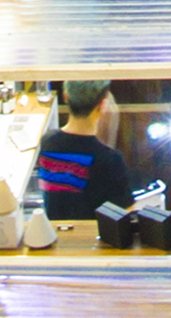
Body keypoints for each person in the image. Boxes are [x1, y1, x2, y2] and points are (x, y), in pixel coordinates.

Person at [32, 83, 132, 222]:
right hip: (90, 239)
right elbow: (123, 213)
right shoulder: (110, 159)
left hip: (52, 233)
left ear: (65, 96)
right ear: (103, 105)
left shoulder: (47, 142)